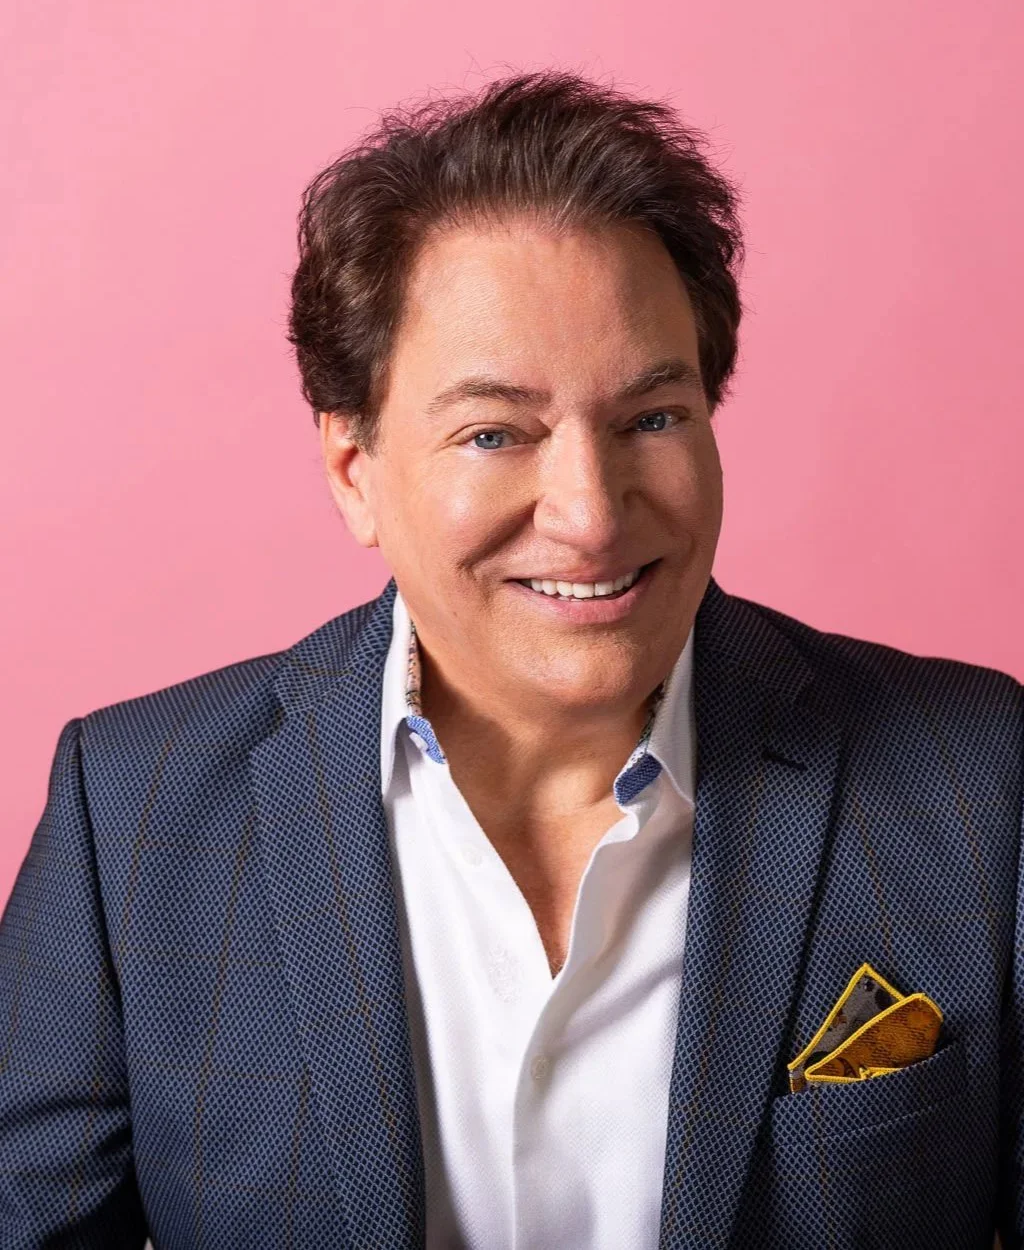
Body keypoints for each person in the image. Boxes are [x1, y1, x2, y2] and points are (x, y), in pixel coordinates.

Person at [0, 71, 1020, 1250]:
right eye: (494, 434)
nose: (590, 514)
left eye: (651, 417)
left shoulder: (979, 781)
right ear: (355, 471)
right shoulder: (128, 815)